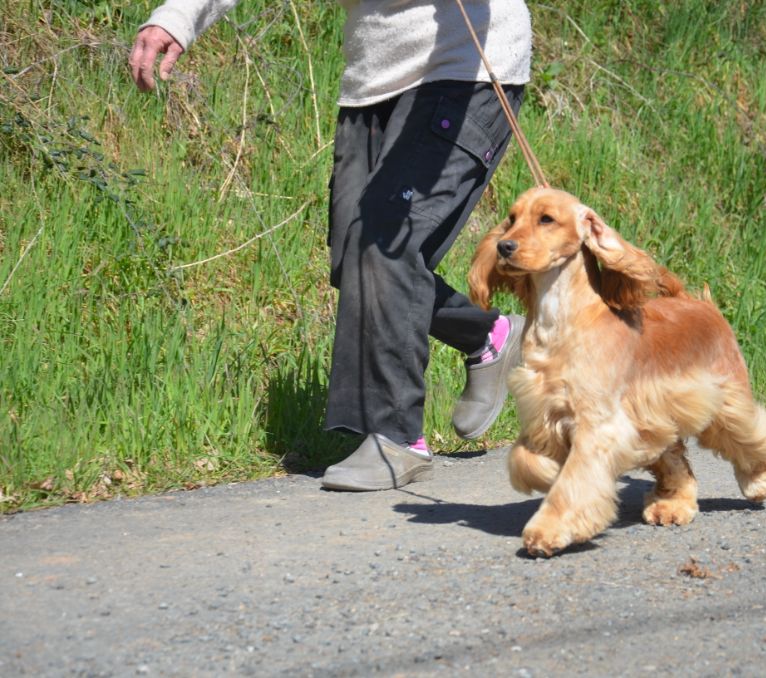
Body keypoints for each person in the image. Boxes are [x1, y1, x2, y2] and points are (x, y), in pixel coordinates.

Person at [129, 0, 531, 491]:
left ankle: (396, 437)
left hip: (464, 67)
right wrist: (177, 18)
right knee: (353, 259)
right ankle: (487, 336)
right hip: (372, 78)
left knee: (381, 240)